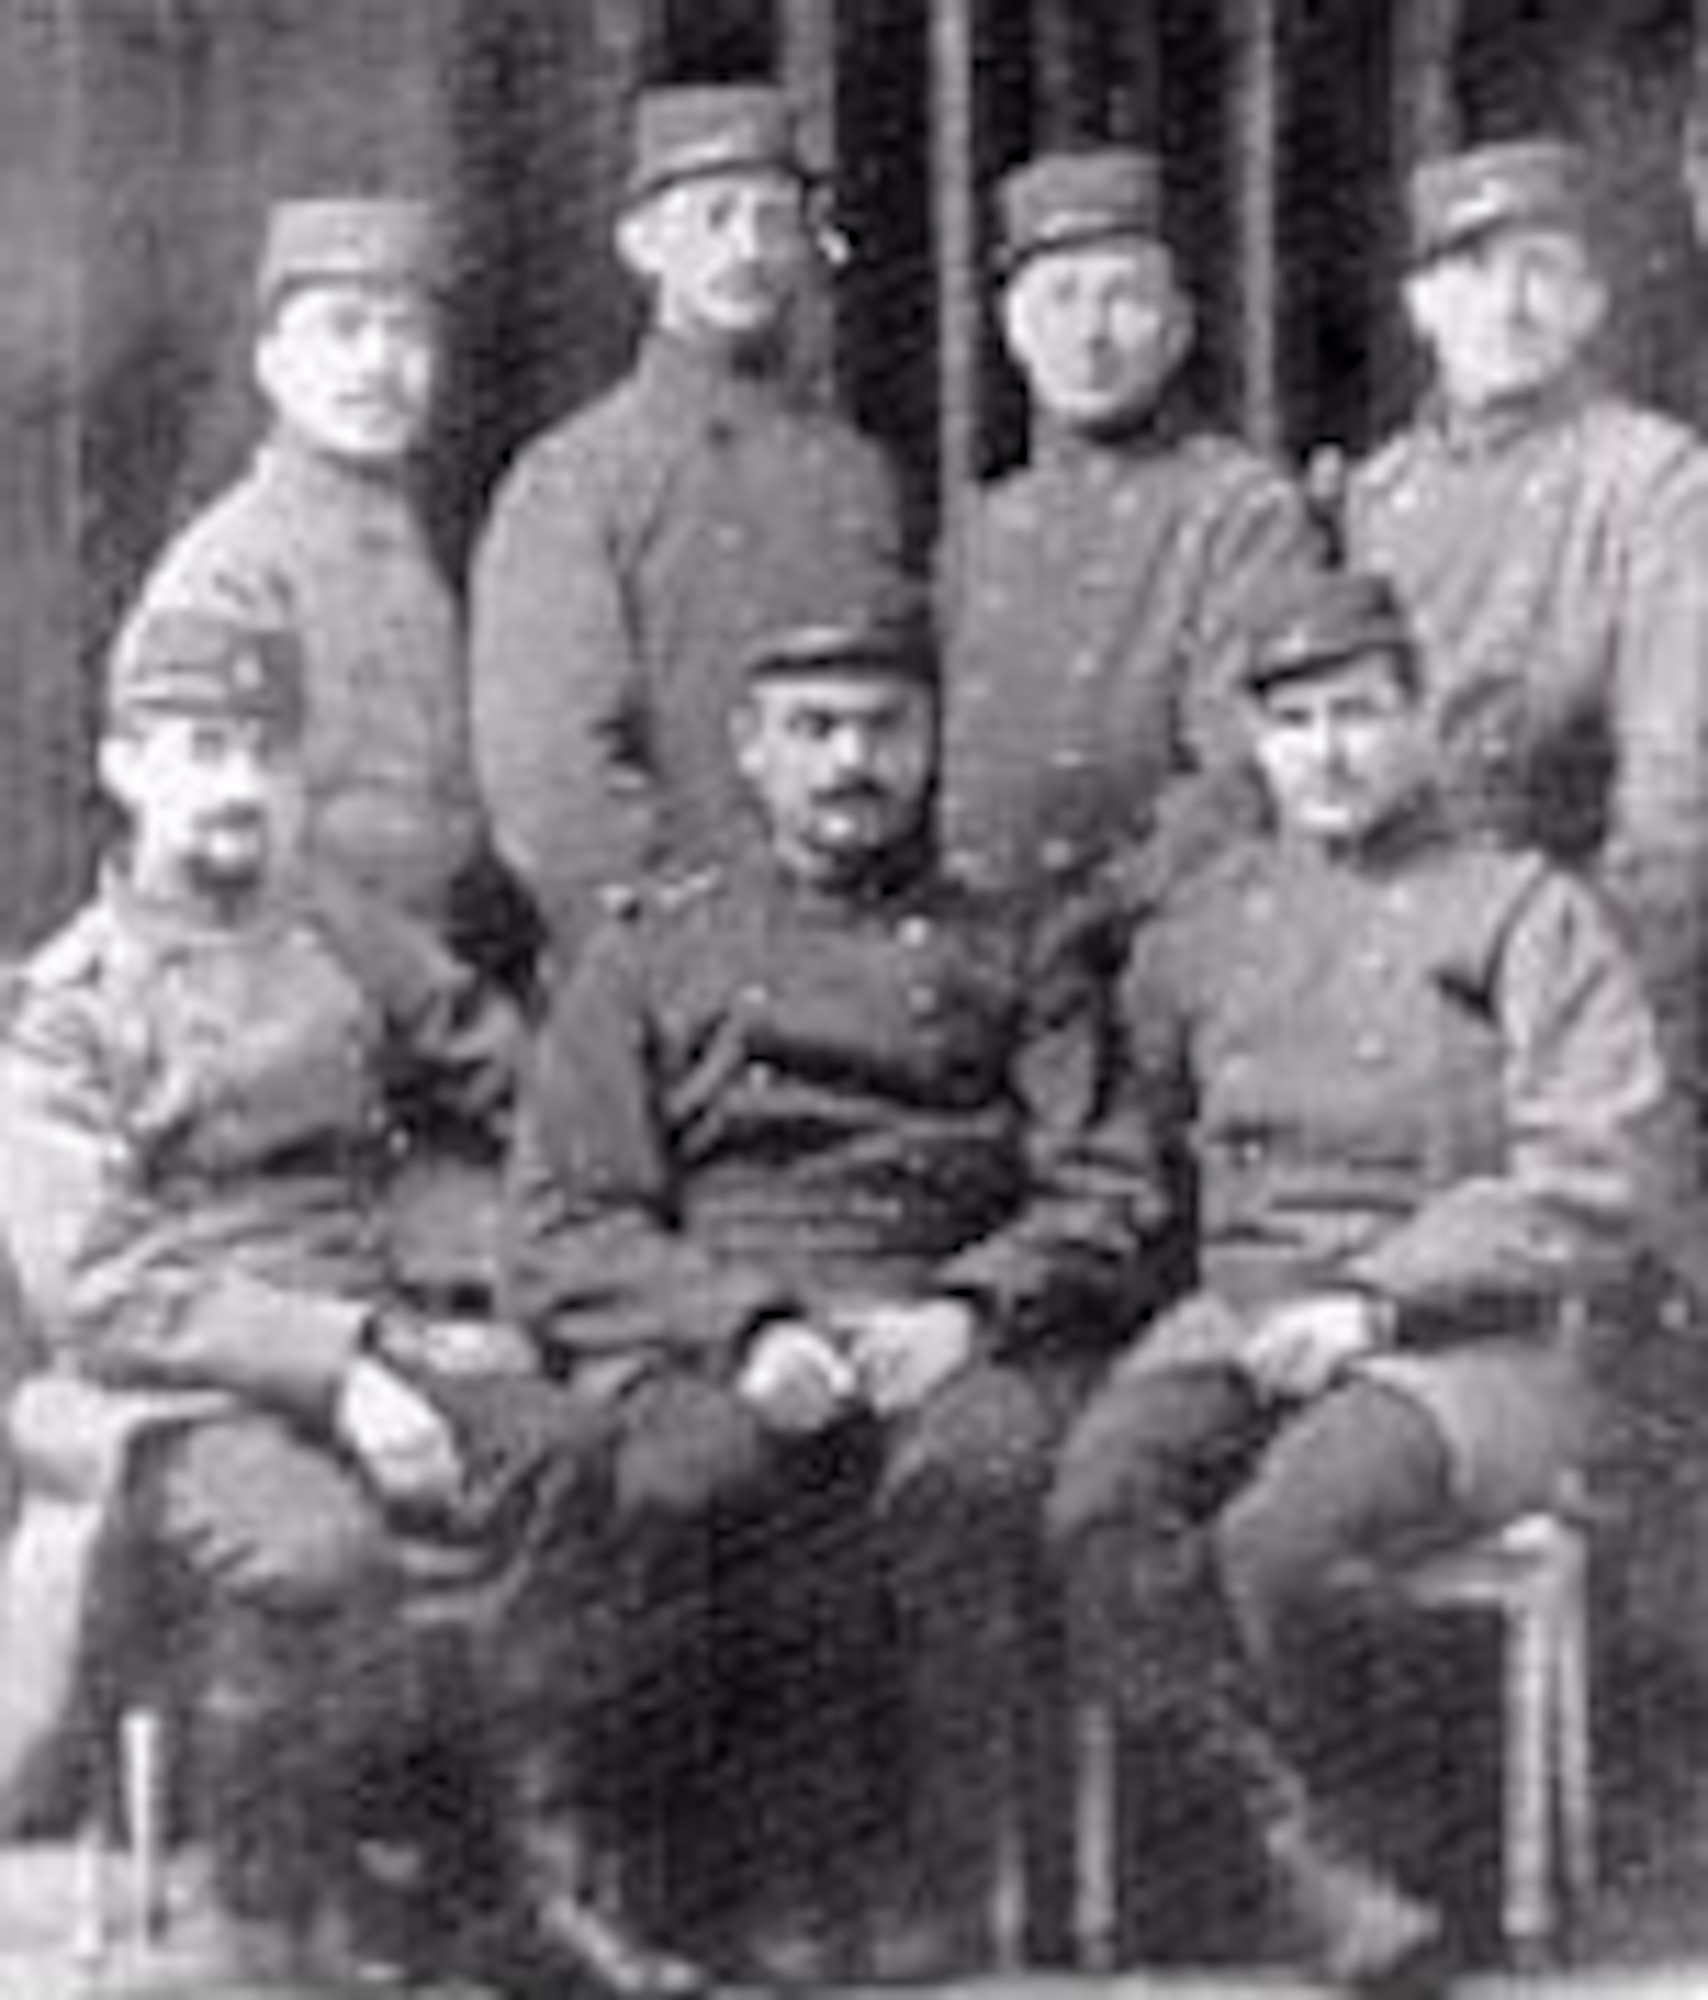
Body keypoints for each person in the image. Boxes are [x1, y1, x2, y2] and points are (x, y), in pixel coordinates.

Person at [0, 607, 702, 1998]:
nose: (237, 786)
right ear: (125, 767)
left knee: (567, 1456)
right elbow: (102, 1290)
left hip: (384, 1322)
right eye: (200, 749)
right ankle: (323, 1915)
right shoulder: (66, 1007)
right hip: (175, 1394)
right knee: (322, 1559)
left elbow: (505, 1072)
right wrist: (344, 1372)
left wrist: (527, 1234)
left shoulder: (338, 930)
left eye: (266, 754)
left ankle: (526, 1882)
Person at [503, 589, 1140, 1982]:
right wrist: (745, 1327)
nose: (851, 764)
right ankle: (706, 1886)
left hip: (945, 1320)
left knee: (971, 1476)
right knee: (688, 1479)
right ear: (750, 749)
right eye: (814, 731)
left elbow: (1104, 1188)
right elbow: (564, 1221)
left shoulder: (1020, 950)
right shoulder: (648, 952)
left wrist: (968, 1311)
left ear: (931, 742)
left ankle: (925, 1874)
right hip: (723, 1320)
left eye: (883, 728)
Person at [1048, 571, 1665, 1995]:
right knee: (1097, 1493)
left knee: (1284, 1536)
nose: (1327, 754)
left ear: (1420, 722)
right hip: (1244, 1313)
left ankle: (1375, 1855)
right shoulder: (1208, 924)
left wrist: (1380, 1300)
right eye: (1293, 724)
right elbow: (1138, 1142)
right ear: (1253, 745)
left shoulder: (1522, 912)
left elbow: (1593, 1178)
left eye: (1359, 715)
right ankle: (1296, 1862)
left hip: (1471, 1348)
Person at [1344, 136, 1708, 1275]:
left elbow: (1674, 788)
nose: (1508, 304)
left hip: (1589, 957)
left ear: (1591, 301)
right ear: (1418, 304)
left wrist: (1592, 981)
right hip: (1398, 952)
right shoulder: (1379, 494)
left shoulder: (1653, 480)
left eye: (1542, 269)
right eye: (1470, 272)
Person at [470, 83, 910, 971]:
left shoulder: (858, 475)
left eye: (773, 220)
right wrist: (678, 957)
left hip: (855, 966)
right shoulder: (576, 480)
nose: (746, 248)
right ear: (642, 244)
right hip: (665, 980)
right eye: (713, 218)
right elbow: (554, 789)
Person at [115, 195, 519, 978]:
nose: (376, 363)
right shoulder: (232, 568)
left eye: (404, 331)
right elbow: (219, 841)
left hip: (423, 973)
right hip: (289, 986)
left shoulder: (404, 544)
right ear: (270, 361)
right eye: (342, 328)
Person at [938, 146, 1318, 918]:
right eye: (1061, 300)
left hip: (1161, 933)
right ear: (1013, 331)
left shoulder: (1240, 512)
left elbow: (1241, 773)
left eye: (1123, 299)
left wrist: (1105, 910)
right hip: (984, 942)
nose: (1091, 335)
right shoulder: (981, 530)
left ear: (1177, 328)